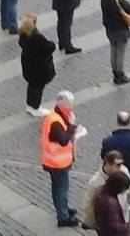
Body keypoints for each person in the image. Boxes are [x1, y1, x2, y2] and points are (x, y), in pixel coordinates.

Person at [41, 90, 81, 228]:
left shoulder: (61, 115)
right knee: (61, 188)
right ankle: (63, 217)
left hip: (57, 160)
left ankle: (62, 208)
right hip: (56, 162)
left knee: (58, 187)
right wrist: (72, 126)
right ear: (60, 103)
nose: (71, 106)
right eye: (68, 103)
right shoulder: (55, 121)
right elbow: (63, 140)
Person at [81, 152, 130, 230]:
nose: (120, 168)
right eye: (117, 165)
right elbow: (88, 205)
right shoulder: (95, 182)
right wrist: (96, 222)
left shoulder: (123, 170)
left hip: (123, 217)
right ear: (108, 164)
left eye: (121, 164)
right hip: (106, 224)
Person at [19, 13, 55, 117]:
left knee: (32, 86)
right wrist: (52, 43)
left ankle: (30, 104)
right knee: (38, 87)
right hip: (39, 68)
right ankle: (35, 107)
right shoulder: (37, 38)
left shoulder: (23, 34)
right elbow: (49, 47)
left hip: (28, 65)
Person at [101, 0, 130, 85]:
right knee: (120, 52)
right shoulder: (116, 0)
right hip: (120, 30)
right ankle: (120, 75)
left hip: (109, 29)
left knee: (113, 50)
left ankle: (115, 73)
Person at [101, 111, 130, 188]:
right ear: (129, 121)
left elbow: (104, 156)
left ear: (117, 121)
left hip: (112, 177)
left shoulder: (108, 141)